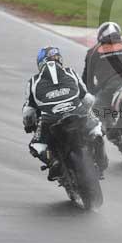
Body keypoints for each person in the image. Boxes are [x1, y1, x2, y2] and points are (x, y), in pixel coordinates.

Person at [23, 46, 108, 180]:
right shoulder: (71, 73)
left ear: (40, 63)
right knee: (96, 126)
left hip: (50, 119)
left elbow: (28, 111)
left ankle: (53, 161)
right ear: (60, 60)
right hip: (77, 113)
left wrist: (28, 124)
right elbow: (87, 99)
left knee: (35, 145)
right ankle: (96, 138)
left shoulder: (33, 82)